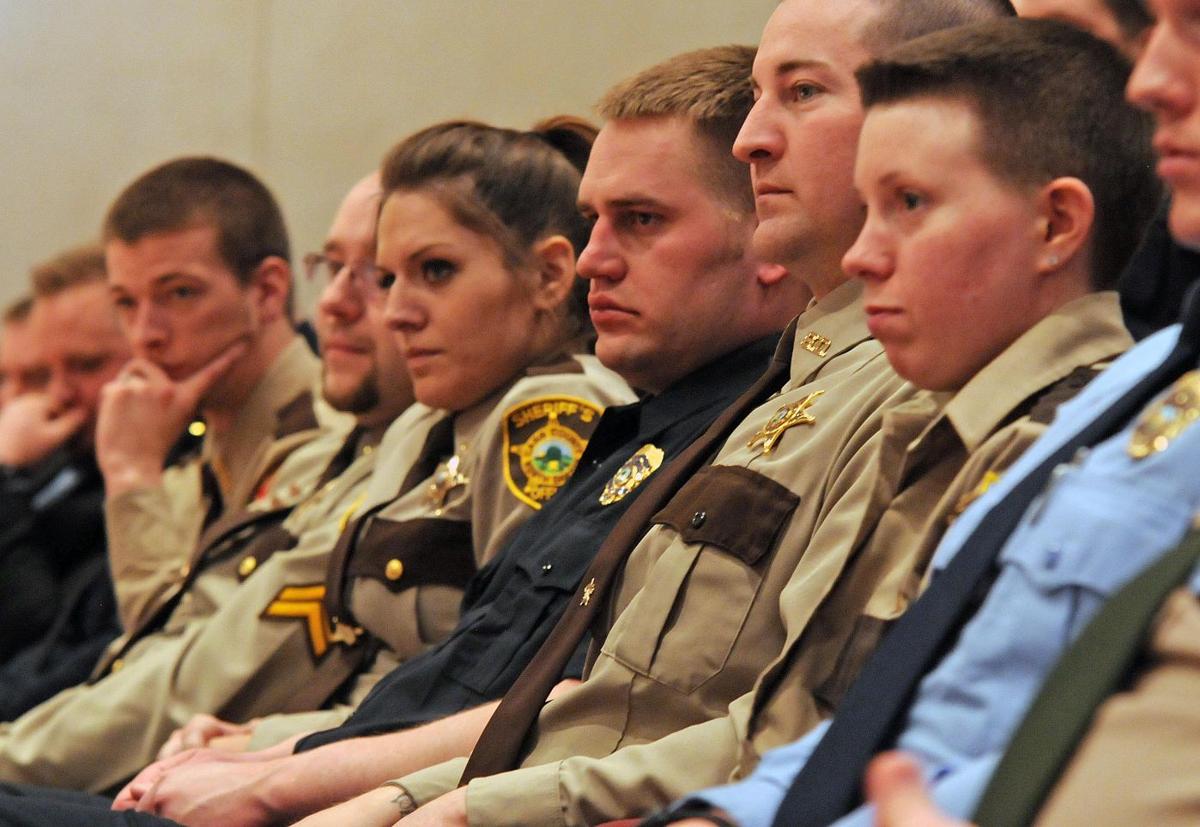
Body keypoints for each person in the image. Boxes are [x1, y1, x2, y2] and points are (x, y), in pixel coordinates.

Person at [103, 47, 797, 826]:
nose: (376, 307)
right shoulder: (453, 432)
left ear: (542, 277)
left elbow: (549, 705)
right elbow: (455, 670)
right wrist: (269, 746)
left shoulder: (557, 419)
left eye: (431, 271)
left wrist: (283, 772)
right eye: (379, 275)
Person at [652, 12, 1200, 827]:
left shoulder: (1055, 408)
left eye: (909, 203)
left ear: (1054, 225)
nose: (1150, 76)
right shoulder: (1138, 392)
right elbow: (897, 714)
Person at [96, 156, 337, 639]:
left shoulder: (335, 442)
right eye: (126, 302)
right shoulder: (192, 457)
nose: (146, 335)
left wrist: (130, 474)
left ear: (268, 291)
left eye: (180, 293)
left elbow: (176, 658)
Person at [0, 246, 130, 717]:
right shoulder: (70, 461)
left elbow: (35, 626)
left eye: (86, 365)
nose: (56, 394)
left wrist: (7, 475)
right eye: (48, 372)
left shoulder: (146, 479)